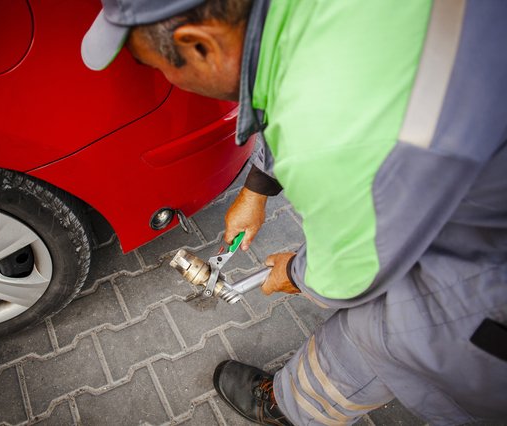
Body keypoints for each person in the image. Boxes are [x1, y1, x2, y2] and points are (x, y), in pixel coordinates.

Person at [81, 0, 507, 424]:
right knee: (364, 338)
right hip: (469, 207)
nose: (168, 79)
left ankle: (290, 409)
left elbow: (350, 276)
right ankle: (291, 405)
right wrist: (257, 189)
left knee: (397, 329)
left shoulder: (324, 136)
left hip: (482, 301)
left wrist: (294, 273)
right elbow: (286, 78)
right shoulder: (305, 19)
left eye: (160, 68)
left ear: (198, 45)